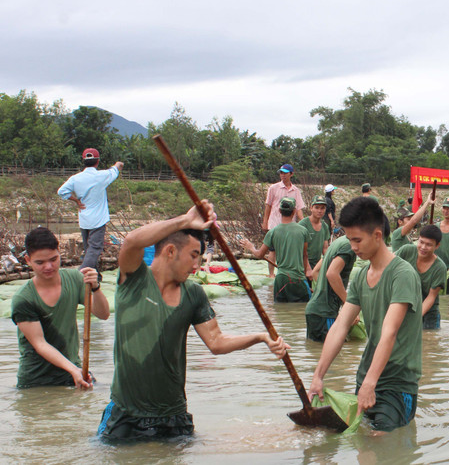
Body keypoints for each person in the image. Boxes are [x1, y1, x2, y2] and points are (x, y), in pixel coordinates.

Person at [98, 201, 289, 440]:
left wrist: (260, 338)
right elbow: (132, 242)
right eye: (193, 256)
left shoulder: (194, 294)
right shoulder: (134, 281)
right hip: (127, 414)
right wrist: (183, 221)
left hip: (173, 415)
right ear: (170, 251)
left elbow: (216, 342)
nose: (197, 265)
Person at [309, 197, 422, 433]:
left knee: (382, 445)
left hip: (397, 384)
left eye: (357, 240)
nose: (353, 247)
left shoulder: (402, 275)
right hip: (366, 379)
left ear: (378, 236)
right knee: (361, 445)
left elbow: (389, 333)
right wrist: (318, 375)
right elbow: (340, 325)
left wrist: (370, 384)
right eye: (349, 240)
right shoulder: (361, 277)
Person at [11, 227, 110, 389]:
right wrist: (74, 370)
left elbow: (104, 314)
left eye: (53, 259)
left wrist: (95, 288)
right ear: (28, 261)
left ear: (59, 253)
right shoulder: (23, 299)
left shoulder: (75, 279)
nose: (48, 266)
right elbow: (40, 343)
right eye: (40, 263)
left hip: (73, 371)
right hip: (37, 381)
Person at [57, 148, 124, 270]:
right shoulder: (101, 176)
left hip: (84, 218)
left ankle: (95, 276)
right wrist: (118, 164)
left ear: (84, 161)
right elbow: (115, 170)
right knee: (95, 248)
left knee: (89, 249)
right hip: (98, 220)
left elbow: (61, 192)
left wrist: (76, 200)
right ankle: (81, 273)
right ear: (97, 161)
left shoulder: (75, 178)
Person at [242, 197, 311, 302]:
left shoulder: (273, 232)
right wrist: (305, 274)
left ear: (279, 211)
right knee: (301, 311)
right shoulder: (303, 231)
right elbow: (304, 255)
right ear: (294, 211)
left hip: (281, 280)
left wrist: (251, 247)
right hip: (298, 278)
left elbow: (260, 255)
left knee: (280, 311)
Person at [305, 235, 358, 342]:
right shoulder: (349, 246)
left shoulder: (337, 242)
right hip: (325, 312)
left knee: (316, 352)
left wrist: (321, 289)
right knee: (334, 354)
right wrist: (349, 305)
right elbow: (332, 274)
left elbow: (315, 271)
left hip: (313, 310)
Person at [395, 225, 446, 329]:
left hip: (429, 314)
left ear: (437, 246)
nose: (423, 247)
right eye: (421, 242)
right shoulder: (406, 251)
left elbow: (431, 297)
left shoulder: (440, 268)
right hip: (405, 307)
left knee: (429, 342)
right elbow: (388, 267)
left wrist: (415, 318)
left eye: (428, 245)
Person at [263, 164, 305, 277]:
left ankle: (287, 272)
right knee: (273, 250)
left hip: (290, 225)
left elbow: (299, 208)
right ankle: (271, 274)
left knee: (289, 249)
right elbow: (268, 205)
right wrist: (265, 222)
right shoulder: (273, 188)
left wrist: (304, 222)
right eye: (281, 173)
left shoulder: (295, 191)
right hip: (275, 223)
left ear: (291, 174)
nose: (283, 175)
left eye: (285, 173)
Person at [300, 196, 330, 281]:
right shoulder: (303, 225)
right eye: (316, 208)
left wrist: (330, 263)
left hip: (317, 264)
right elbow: (301, 250)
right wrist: (308, 269)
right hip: (303, 264)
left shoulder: (324, 226)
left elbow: (325, 248)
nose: (319, 211)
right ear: (311, 208)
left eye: (322, 208)